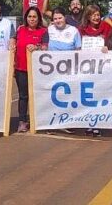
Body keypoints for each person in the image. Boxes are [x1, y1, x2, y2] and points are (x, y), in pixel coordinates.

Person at [45, 7, 81, 135]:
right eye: (55, 19)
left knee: (67, 96)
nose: (57, 20)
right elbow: (43, 47)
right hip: (51, 71)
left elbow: (79, 50)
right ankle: (51, 123)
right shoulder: (49, 30)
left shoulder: (74, 31)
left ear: (65, 18)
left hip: (69, 71)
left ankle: (67, 122)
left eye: (59, 18)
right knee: (53, 96)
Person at [13, 6, 48, 133]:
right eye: (29, 16)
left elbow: (45, 47)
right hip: (20, 69)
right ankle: (22, 122)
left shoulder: (44, 31)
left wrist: (37, 46)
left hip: (37, 70)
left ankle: (38, 121)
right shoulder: (20, 29)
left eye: (34, 17)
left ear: (38, 18)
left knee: (37, 95)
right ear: (26, 18)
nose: (32, 19)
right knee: (23, 96)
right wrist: (12, 42)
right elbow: (13, 40)